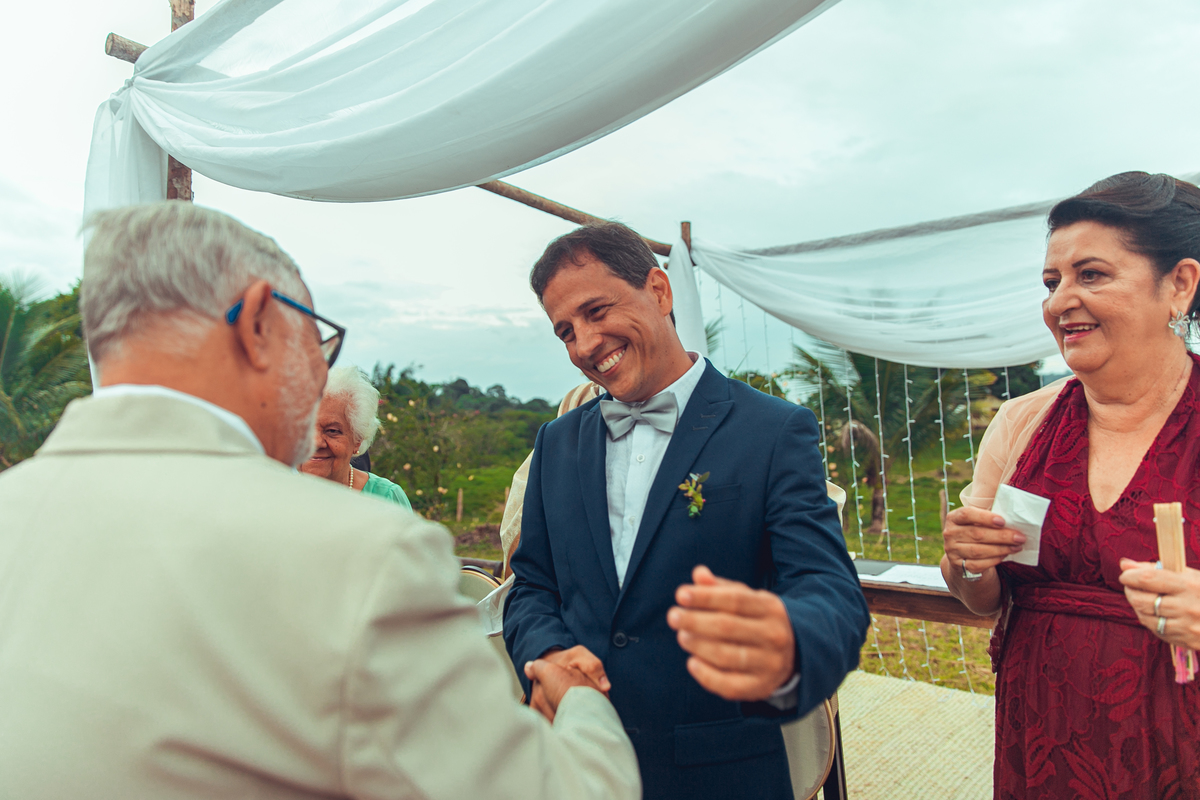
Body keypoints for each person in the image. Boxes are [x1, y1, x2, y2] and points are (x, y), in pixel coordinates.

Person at [0, 202, 639, 800]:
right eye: (316, 346)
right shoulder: (358, 552)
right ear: (255, 324)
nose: (316, 394)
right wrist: (580, 700)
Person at [504, 221, 868, 800]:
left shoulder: (773, 431)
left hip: (723, 772)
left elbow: (832, 595)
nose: (584, 345)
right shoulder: (556, 443)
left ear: (659, 289)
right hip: (578, 766)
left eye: (597, 311)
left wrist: (790, 645)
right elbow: (532, 585)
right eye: (565, 331)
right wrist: (547, 652)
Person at [940, 172, 1200, 798]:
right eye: (1052, 283)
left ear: (1180, 285)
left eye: (1092, 275)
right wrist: (967, 564)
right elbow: (983, 598)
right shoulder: (1023, 421)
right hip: (1042, 737)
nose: (1059, 303)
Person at [300, 364, 412, 509]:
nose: (315, 442)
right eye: (304, 428)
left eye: (332, 431)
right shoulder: (273, 495)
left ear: (357, 439)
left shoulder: (387, 498)